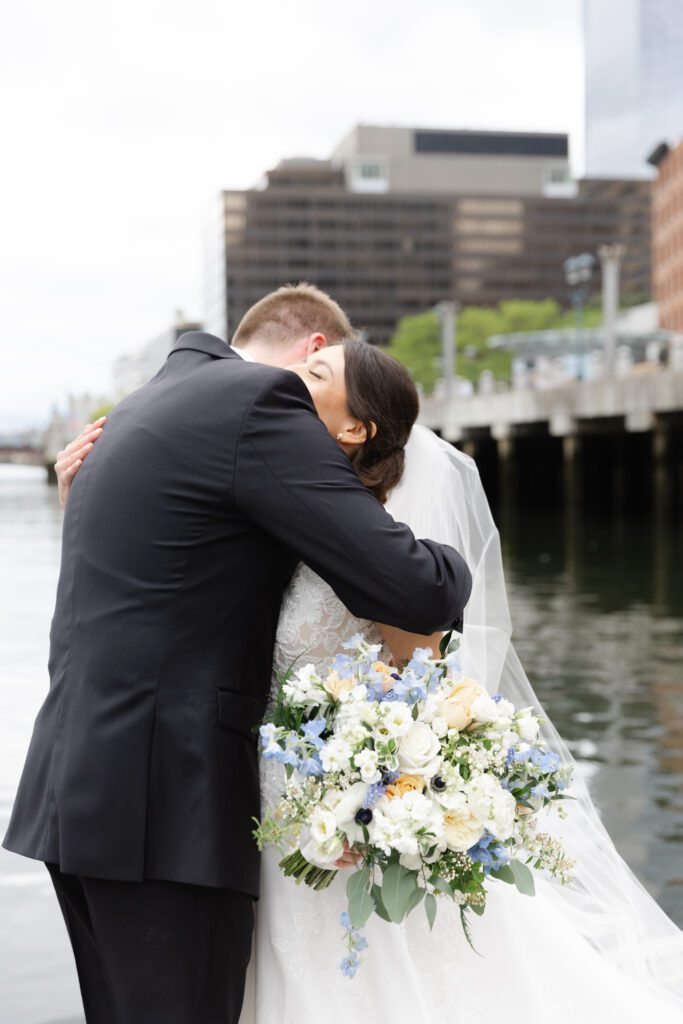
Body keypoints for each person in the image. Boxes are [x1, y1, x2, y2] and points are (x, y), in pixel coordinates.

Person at [55, 323, 683, 1020]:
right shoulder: (263, 508)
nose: (292, 379)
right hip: (243, 808)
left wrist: (373, 795)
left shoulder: (375, 546)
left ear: (355, 427)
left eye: (317, 374)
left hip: (313, 816)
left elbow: (422, 686)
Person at [3, 283, 473, 1024]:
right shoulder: (256, 405)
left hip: (81, 792)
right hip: (163, 810)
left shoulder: (141, 407)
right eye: (318, 372)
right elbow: (415, 590)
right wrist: (452, 561)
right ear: (313, 350)